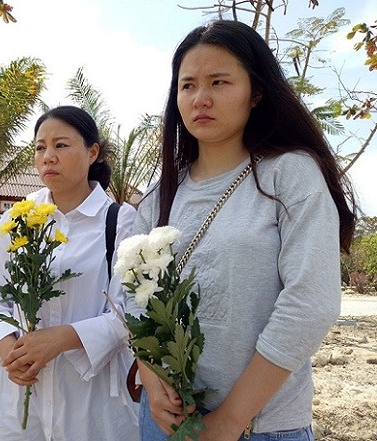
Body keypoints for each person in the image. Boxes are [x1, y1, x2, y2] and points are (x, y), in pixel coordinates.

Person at [130, 20, 357, 441]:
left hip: (260, 427)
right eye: (188, 85)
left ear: (256, 92)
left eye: (219, 82)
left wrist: (232, 418)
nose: (201, 98)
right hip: (166, 419)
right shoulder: (162, 192)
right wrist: (149, 372)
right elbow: (128, 288)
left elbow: (310, 302)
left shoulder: (288, 175)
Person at [0, 105, 140, 441]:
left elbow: (130, 311)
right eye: (39, 147)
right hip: (19, 394)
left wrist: (63, 339)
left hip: (93, 399)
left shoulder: (121, 222)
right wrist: (7, 347)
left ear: (93, 152)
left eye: (61, 145)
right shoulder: (18, 218)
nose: (48, 156)